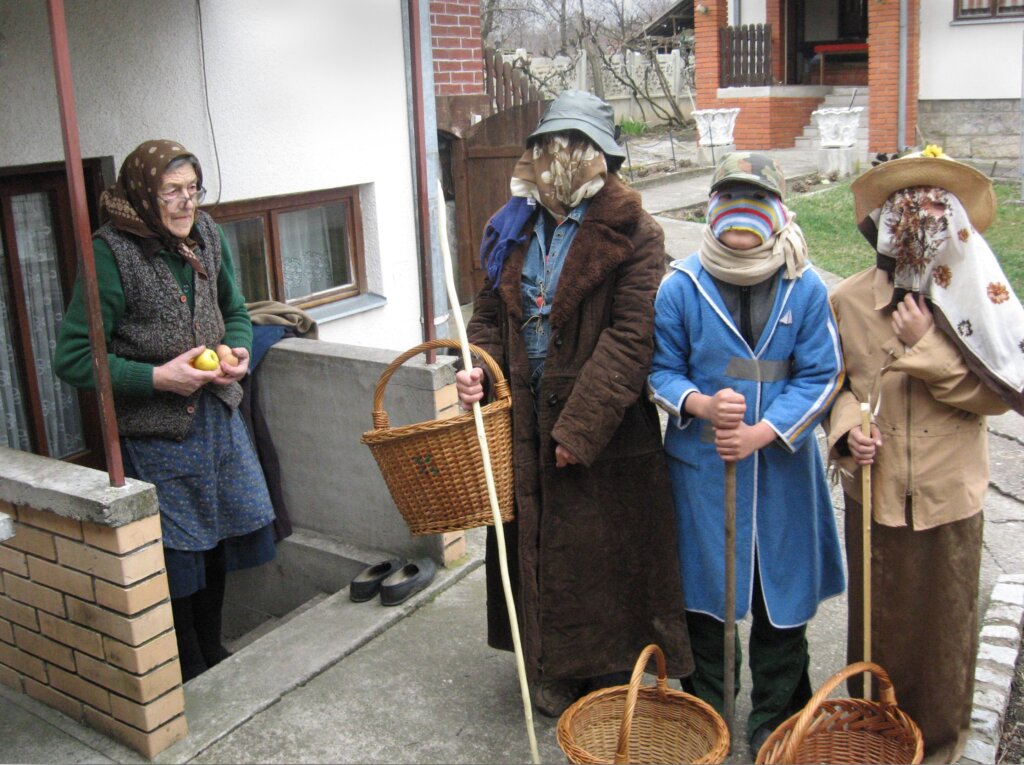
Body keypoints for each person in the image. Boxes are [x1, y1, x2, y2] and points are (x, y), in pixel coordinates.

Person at [454, 90, 692, 717]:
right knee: (533, 548)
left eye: (576, 147)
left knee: (603, 552)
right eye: (549, 146)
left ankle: (610, 672)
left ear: (602, 158)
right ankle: (548, 667)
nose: (561, 159)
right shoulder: (512, 225)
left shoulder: (636, 231)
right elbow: (484, 314)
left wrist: (579, 426)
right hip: (522, 418)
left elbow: (632, 334)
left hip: (602, 425)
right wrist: (477, 369)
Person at [826, 146, 1023, 762]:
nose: (920, 219)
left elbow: (994, 397)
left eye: (936, 207)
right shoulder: (851, 300)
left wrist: (931, 345)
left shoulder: (977, 306)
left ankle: (936, 746)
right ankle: (873, 737)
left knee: (942, 631)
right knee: (876, 624)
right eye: (905, 208)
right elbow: (839, 388)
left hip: (947, 496)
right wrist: (847, 433)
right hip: (875, 493)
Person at [55, 139, 277, 682]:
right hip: (158, 436)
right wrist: (157, 377)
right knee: (180, 557)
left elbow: (235, 310)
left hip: (218, 422)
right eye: (170, 192)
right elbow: (74, 358)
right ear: (141, 194)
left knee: (219, 540)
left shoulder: (208, 234)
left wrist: (239, 351)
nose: (185, 203)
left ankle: (213, 647)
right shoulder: (110, 254)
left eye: (192, 190)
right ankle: (189, 663)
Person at [647, 152, 846, 753]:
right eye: (729, 199)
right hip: (704, 476)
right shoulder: (682, 286)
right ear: (709, 210)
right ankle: (708, 722)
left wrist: (765, 430)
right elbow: (658, 369)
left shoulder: (803, 286)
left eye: (757, 201)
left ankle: (775, 726)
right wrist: (700, 405)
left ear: (779, 211)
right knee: (707, 606)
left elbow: (823, 375)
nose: (742, 215)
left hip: (781, 474)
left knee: (780, 605)